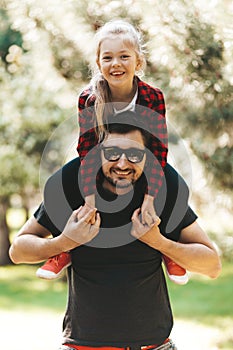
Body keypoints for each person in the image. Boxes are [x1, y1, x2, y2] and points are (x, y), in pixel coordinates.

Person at [9, 113, 221, 350]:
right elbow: (18, 251)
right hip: (82, 346)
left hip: (153, 346)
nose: (122, 164)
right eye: (111, 153)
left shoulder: (165, 184)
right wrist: (63, 242)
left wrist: (160, 242)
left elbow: (212, 265)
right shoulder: (70, 181)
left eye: (134, 155)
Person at [36, 19, 188, 284]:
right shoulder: (89, 98)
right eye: (107, 57)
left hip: (143, 160)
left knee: (167, 178)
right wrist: (90, 201)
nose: (115, 63)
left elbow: (158, 148)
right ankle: (65, 248)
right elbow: (87, 150)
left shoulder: (152, 97)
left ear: (138, 62)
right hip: (99, 162)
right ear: (98, 63)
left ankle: (168, 248)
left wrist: (150, 199)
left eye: (124, 56)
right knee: (70, 178)